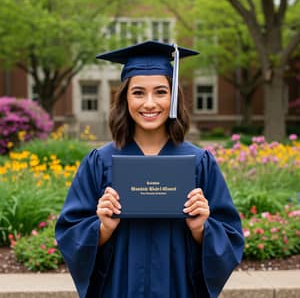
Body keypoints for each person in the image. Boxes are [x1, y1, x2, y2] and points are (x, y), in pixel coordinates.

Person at [55, 41, 244, 298]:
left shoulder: (200, 162)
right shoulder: (99, 161)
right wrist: (101, 229)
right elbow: (69, 233)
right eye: (138, 93)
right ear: (124, 98)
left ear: (173, 96)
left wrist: (202, 228)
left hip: (179, 289)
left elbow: (231, 237)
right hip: (119, 288)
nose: (150, 103)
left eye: (160, 92)